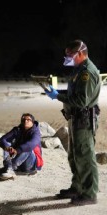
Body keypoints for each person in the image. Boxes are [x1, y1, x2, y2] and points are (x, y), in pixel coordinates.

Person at [45, 40, 100, 205]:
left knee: (85, 156)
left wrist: (58, 97)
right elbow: (74, 92)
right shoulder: (78, 70)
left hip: (84, 120)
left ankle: (89, 193)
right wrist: (58, 92)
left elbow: (82, 100)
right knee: (74, 155)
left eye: (70, 55)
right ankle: (77, 187)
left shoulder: (87, 73)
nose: (67, 58)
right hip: (75, 118)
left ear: (81, 53)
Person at [0, 113, 43, 180]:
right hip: (19, 163)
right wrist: (7, 147)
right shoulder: (17, 130)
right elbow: (3, 139)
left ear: (32, 122)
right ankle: (9, 167)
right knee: (7, 144)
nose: (25, 121)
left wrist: (17, 150)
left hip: (31, 166)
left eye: (28, 120)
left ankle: (10, 168)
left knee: (28, 148)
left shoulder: (36, 132)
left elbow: (31, 144)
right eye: (23, 120)